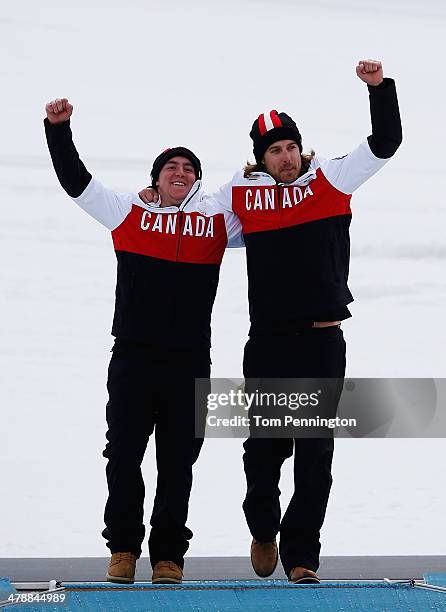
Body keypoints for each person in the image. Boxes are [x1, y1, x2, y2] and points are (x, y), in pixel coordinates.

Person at [140, 58, 402, 583]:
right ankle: (263, 527)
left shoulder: (331, 178)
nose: (284, 157)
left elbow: (386, 141)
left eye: (289, 147)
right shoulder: (243, 196)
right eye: (273, 150)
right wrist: (156, 198)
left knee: (315, 454)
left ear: (299, 149)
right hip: (268, 343)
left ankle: (302, 556)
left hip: (324, 342)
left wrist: (379, 89)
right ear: (260, 158)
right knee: (263, 452)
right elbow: (196, 212)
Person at [44, 98, 242, 584]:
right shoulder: (127, 213)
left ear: (196, 181)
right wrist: (58, 128)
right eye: (171, 166)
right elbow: (76, 182)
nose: (181, 171)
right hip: (133, 356)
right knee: (124, 455)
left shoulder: (219, 221)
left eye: (189, 168)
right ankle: (123, 550)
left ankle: (169, 556)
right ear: (155, 179)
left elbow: (275, 213)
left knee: (179, 461)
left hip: (191, 359)